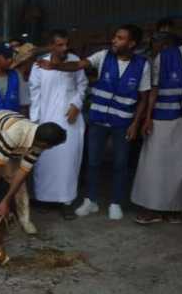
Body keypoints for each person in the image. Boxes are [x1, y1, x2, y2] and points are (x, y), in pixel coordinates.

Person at [38, 24, 151, 220]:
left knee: (120, 163)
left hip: (122, 122)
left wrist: (136, 124)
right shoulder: (103, 56)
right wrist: (54, 66)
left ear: (132, 43)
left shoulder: (143, 65)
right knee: (92, 162)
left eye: (120, 38)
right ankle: (90, 201)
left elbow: (144, 97)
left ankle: (116, 202)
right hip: (98, 119)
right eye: (115, 36)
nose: (114, 40)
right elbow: (78, 65)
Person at [0, 110, 67, 234]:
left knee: (19, 184)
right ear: (45, 144)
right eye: (52, 146)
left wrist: (6, 201)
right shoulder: (15, 134)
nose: (51, 149)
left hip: (4, 137)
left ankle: (25, 220)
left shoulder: (39, 143)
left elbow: (21, 174)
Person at [29, 29, 88, 220]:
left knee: (69, 161)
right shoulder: (39, 65)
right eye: (60, 45)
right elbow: (34, 92)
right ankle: (43, 198)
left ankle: (66, 202)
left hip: (70, 120)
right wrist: (35, 121)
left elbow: (83, 86)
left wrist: (76, 105)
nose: (64, 48)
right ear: (52, 45)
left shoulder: (74, 61)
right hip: (46, 119)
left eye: (66, 44)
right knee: (45, 160)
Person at [131, 43, 182, 224]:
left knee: (179, 167)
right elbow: (153, 89)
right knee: (153, 165)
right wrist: (148, 117)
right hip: (162, 117)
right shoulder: (167, 55)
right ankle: (150, 208)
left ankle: (174, 210)